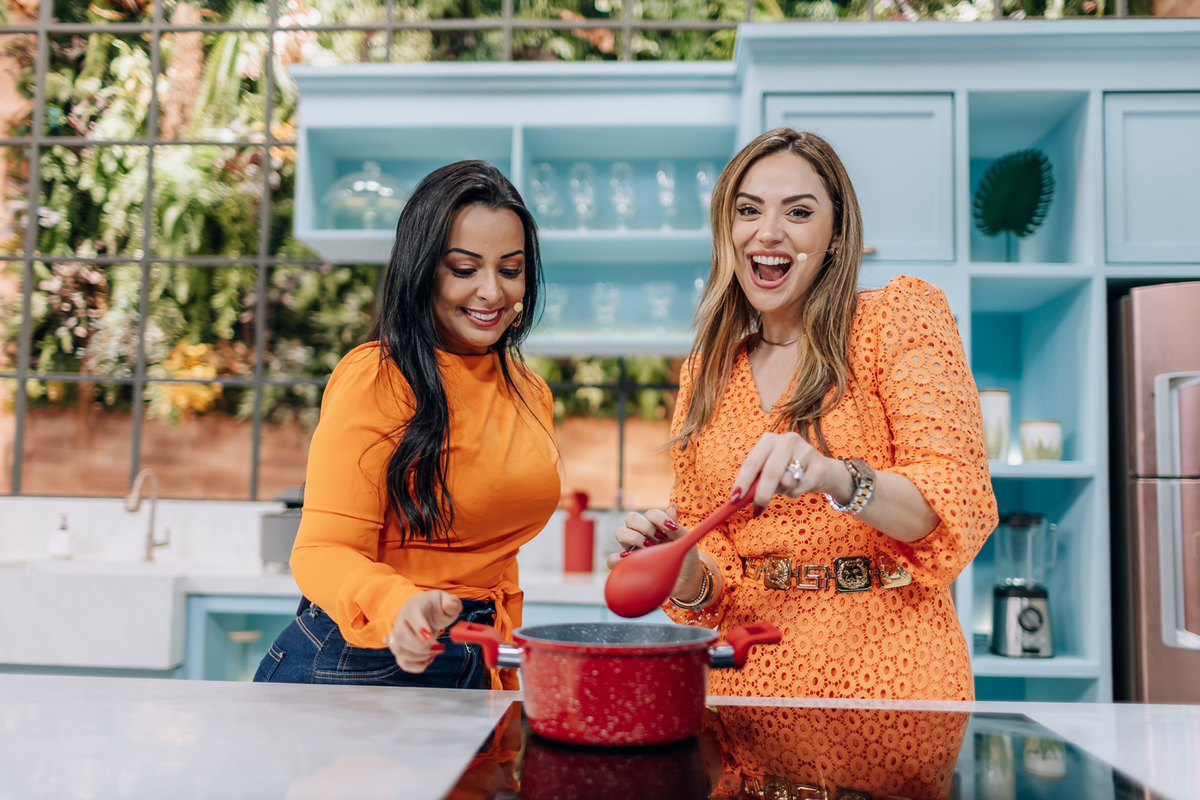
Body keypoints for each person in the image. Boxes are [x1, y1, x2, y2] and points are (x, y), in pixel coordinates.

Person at [611, 128, 997, 700]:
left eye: (798, 212)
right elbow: (715, 574)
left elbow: (951, 503)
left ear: (835, 234)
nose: (768, 232)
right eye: (748, 210)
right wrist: (686, 568)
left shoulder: (896, 320)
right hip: (746, 687)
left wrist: (834, 476)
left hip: (891, 683)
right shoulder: (708, 372)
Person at [255, 161, 560, 690]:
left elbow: (491, 547)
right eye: (464, 269)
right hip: (363, 659)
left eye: (510, 269)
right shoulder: (377, 377)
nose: (492, 291)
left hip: (474, 655)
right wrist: (400, 608)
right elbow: (320, 551)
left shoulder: (528, 391)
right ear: (423, 271)